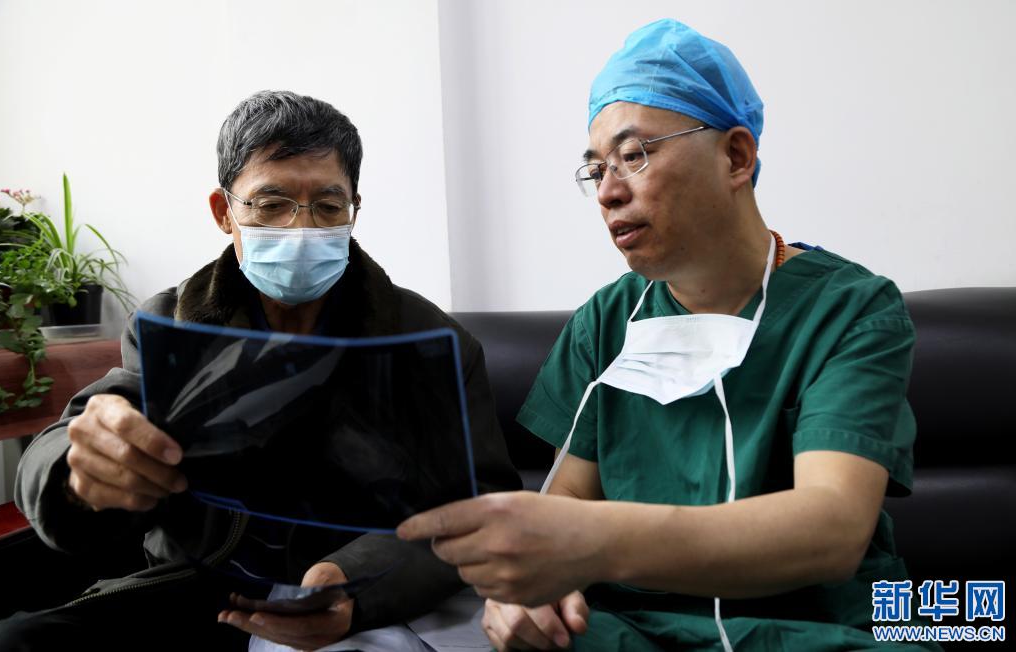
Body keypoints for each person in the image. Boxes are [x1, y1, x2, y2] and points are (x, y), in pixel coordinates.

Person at [398, 19, 939, 651]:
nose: (607, 192)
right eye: (595, 169)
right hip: (632, 634)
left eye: (633, 155)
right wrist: (529, 587)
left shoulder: (849, 311)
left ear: (736, 157)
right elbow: (564, 499)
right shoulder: (605, 323)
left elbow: (831, 530)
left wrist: (592, 542)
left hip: (815, 631)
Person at [0, 90, 520, 651]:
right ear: (225, 212)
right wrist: (78, 470)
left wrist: (357, 581)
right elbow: (80, 434)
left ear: (354, 210)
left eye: (327, 205)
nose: (301, 229)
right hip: (197, 591)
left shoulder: (432, 343)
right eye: (271, 204)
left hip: (358, 595)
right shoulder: (171, 324)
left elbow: (477, 504)